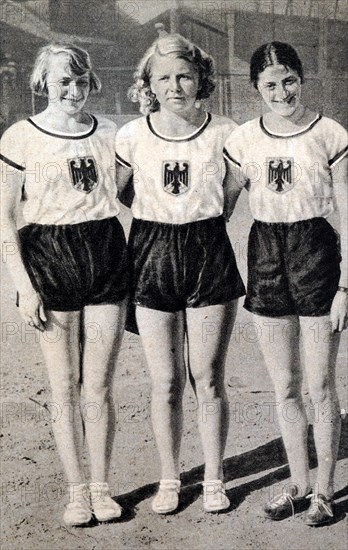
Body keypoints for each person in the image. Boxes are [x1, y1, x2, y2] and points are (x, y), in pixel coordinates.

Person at [116, 33, 245, 514]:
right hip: (151, 251)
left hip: (208, 248)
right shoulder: (131, 135)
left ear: (200, 79)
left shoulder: (225, 132)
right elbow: (122, 194)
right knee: (165, 380)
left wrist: (199, 221)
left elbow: (229, 198)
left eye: (184, 76)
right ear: (149, 84)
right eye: (164, 77)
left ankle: (214, 476)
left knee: (207, 377)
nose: (175, 86)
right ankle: (170, 478)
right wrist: (161, 220)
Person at [0, 43, 129, 526]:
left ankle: (101, 488)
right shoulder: (20, 137)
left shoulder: (109, 132)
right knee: (65, 385)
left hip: (105, 251)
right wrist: (24, 286)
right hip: (49, 257)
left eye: (80, 81)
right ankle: (76, 492)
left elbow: (128, 190)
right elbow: (4, 218)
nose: (73, 90)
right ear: (44, 84)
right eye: (63, 82)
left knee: (99, 385)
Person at [223, 41, 347, 526]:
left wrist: (345, 287)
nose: (281, 92)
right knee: (285, 385)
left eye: (289, 80)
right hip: (266, 254)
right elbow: (221, 204)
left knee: (320, 383)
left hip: (316, 249)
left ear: (302, 79)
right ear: (255, 88)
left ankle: (324, 491)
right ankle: (297, 484)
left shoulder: (331, 133)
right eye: (270, 84)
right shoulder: (244, 140)